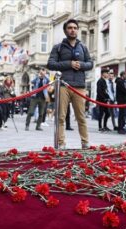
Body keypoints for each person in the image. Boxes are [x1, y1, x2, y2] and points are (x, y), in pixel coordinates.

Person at [47, 19, 93, 149]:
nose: (73, 30)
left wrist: (81, 65)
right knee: (60, 117)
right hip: (63, 85)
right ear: (65, 30)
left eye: (75, 28)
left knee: (81, 117)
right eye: (70, 28)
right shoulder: (58, 47)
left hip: (79, 86)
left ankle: (85, 142)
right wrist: (69, 64)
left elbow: (90, 63)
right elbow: (50, 64)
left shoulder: (83, 47)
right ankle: (61, 143)